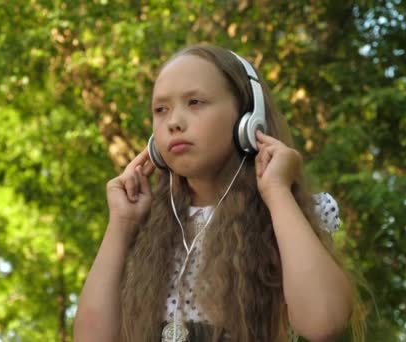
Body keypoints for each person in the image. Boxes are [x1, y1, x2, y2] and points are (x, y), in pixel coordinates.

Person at [74, 44, 365, 341]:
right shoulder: (144, 226)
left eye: (195, 102)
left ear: (248, 119)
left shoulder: (282, 216)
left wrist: (278, 193)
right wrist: (121, 225)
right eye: (161, 110)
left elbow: (324, 322)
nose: (174, 121)